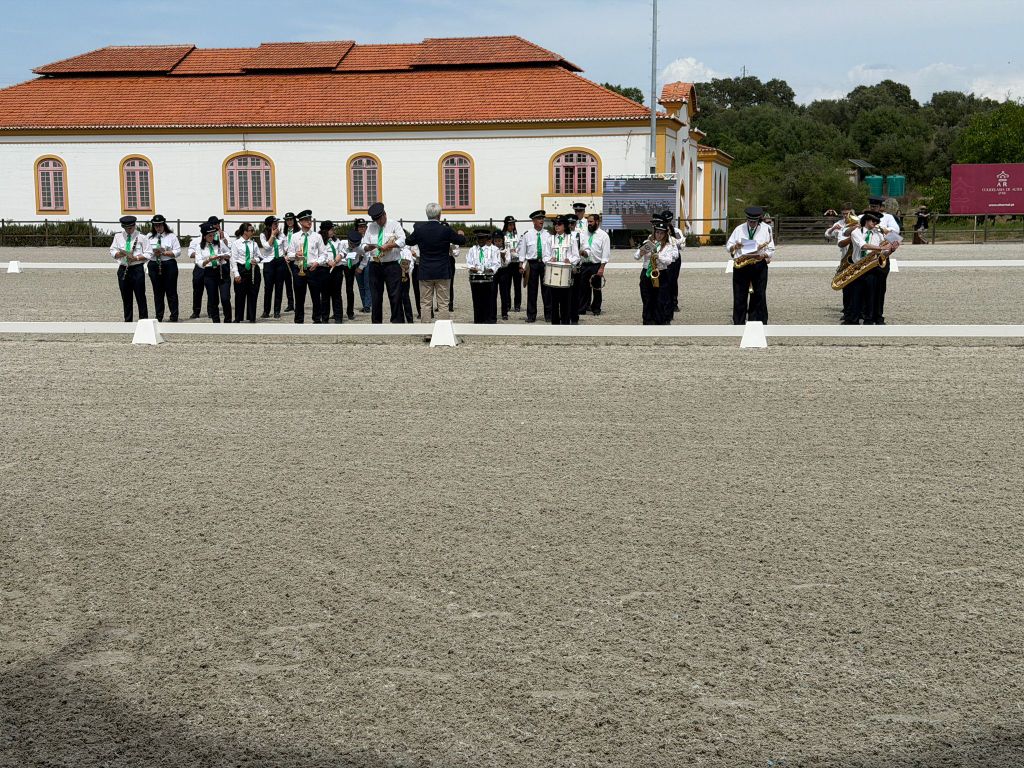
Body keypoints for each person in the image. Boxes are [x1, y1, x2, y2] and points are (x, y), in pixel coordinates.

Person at [406, 205, 465, 321]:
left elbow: (408, 241)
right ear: (439, 215)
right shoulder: (446, 230)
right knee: (443, 303)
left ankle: (426, 329)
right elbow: (461, 241)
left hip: (425, 270)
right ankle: (443, 328)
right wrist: (461, 234)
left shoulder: (420, 230)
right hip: (442, 270)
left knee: (425, 303)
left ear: (427, 214)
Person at [725, 206, 775, 325]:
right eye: (750, 221)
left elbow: (771, 248)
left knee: (759, 295)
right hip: (742, 266)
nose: (752, 224)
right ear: (747, 219)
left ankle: (758, 321)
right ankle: (739, 322)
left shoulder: (766, 229)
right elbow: (728, 246)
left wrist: (764, 255)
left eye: (754, 222)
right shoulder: (739, 229)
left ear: (759, 220)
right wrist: (735, 246)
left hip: (759, 264)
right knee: (739, 295)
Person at [850, 210, 899, 325]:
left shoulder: (879, 233)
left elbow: (883, 253)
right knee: (858, 294)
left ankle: (874, 317)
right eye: (873, 221)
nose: (876, 223)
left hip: (874, 266)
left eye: (877, 221)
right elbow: (863, 246)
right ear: (866, 220)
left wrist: (891, 250)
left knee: (876, 293)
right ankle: (855, 318)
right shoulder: (856, 232)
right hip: (860, 265)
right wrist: (881, 248)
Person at [360, 202, 406, 323]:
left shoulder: (394, 224)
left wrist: (390, 245)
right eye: (376, 220)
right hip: (375, 265)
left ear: (384, 214)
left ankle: (397, 322)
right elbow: (363, 244)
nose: (378, 222)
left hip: (391, 264)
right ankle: (376, 323)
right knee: (376, 297)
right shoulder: (371, 227)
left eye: (380, 219)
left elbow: (402, 240)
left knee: (395, 296)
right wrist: (368, 247)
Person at [634, 219, 679, 325]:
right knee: (647, 297)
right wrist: (641, 253)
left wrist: (658, 256)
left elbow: (669, 261)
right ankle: (648, 320)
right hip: (647, 272)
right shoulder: (648, 243)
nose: (659, 235)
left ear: (665, 234)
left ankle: (660, 320)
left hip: (661, 273)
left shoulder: (668, 246)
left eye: (662, 233)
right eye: (657, 232)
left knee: (660, 298)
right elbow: (636, 256)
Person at [286, 210, 327, 324]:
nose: (309, 221)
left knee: (316, 296)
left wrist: (317, 262)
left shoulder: (317, 236)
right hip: (298, 268)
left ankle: (317, 319)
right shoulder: (295, 236)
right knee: (299, 296)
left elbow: (324, 254)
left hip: (313, 269)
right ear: (300, 222)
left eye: (310, 219)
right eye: (306, 220)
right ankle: (299, 320)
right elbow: (289, 254)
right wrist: (295, 255)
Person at [110, 215, 150, 322]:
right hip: (123, 268)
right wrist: (121, 254)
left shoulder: (142, 237)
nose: (129, 230)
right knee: (126, 297)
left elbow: (148, 253)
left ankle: (143, 321)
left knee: (140, 296)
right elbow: (112, 251)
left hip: (137, 268)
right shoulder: (118, 236)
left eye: (131, 228)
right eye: (126, 228)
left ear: (134, 225)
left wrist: (135, 258)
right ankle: (128, 321)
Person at [868, 196, 901, 325]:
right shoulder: (864, 217)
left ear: (880, 207)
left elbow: (896, 231)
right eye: (872, 206)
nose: (873, 208)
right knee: (867, 287)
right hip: (867, 257)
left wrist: (884, 229)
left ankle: (878, 315)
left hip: (882, 256)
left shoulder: (887, 218)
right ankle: (867, 315)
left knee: (880, 288)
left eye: (876, 206)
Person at [825, 203, 860, 324]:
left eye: (848, 213)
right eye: (844, 213)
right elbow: (828, 234)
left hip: (858, 257)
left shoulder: (859, 222)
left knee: (859, 286)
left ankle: (859, 311)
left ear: (852, 212)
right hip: (846, 257)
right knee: (846, 286)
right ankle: (847, 311)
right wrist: (833, 229)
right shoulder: (840, 224)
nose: (846, 216)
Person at [517, 210, 553, 323]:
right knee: (532, 291)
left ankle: (549, 315)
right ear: (533, 221)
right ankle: (531, 315)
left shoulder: (548, 234)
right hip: (532, 264)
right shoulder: (527, 234)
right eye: (539, 219)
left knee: (547, 290)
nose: (541, 220)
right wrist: (521, 264)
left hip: (544, 264)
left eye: (542, 218)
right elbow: (523, 251)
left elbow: (551, 249)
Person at [544, 215, 580, 325]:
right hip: (554, 273)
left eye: (559, 224)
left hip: (566, 273)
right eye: (555, 224)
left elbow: (576, 256)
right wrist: (550, 259)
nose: (556, 226)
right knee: (554, 300)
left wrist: (570, 260)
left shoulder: (571, 239)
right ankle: (555, 323)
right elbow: (545, 256)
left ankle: (565, 323)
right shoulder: (550, 239)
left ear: (565, 226)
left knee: (566, 300)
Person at [191, 222, 230, 323]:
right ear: (204, 236)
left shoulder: (220, 243)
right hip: (209, 273)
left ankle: (228, 320)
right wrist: (209, 259)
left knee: (225, 298)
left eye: (213, 235)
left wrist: (223, 256)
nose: (212, 237)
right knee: (213, 299)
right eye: (210, 235)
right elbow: (200, 263)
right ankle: (216, 322)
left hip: (221, 271)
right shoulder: (199, 247)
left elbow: (229, 253)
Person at [145, 214, 180, 322]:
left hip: (168, 263)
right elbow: (145, 251)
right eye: (156, 225)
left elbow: (177, 251)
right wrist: (153, 252)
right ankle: (159, 316)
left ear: (164, 224)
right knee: (157, 292)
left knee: (171, 291)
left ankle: (174, 315)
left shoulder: (171, 236)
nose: (158, 227)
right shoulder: (149, 236)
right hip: (154, 264)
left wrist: (164, 252)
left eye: (160, 225)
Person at [574, 213, 610, 318]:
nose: (589, 224)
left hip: (596, 265)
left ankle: (596, 308)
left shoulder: (603, 236)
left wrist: (602, 268)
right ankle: (583, 308)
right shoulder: (584, 234)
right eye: (588, 222)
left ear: (597, 222)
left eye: (591, 222)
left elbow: (605, 253)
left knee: (596, 288)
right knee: (583, 288)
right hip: (585, 264)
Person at [228, 223, 262, 323]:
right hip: (241, 269)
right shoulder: (236, 243)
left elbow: (260, 256)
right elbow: (233, 260)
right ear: (245, 232)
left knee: (253, 295)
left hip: (253, 270)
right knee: (240, 295)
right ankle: (238, 318)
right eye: (251, 230)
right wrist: (236, 274)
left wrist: (256, 260)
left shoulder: (254, 243)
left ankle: (251, 317)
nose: (253, 232)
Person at [466, 229, 500, 323]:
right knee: (477, 300)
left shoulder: (493, 250)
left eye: (482, 238)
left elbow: (497, 263)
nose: (480, 240)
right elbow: (469, 262)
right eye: (479, 238)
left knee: (488, 300)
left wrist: (491, 269)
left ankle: (488, 320)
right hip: (476, 279)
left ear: (486, 239)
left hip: (488, 279)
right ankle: (478, 320)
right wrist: (471, 267)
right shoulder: (472, 250)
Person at [259, 216, 286, 318]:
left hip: (280, 261)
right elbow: (267, 246)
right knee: (268, 288)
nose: (277, 225)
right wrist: (273, 235)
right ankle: (266, 311)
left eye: (277, 223)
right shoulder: (263, 235)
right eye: (275, 223)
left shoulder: (281, 234)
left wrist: (287, 254)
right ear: (269, 225)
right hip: (269, 263)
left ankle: (277, 311)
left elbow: (286, 247)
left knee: (279, 287)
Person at [495, 216, 520, 320]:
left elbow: (520, 248)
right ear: (506, 225)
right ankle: (508, 304)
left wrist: (517, 253)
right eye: (509, 224)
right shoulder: (503, 235)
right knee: (507, 285)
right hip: (507, 263)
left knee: (517, 284)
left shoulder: (517, 235)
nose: (511, 226)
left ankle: (517, 304)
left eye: (513, 224)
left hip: (516, 262)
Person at [320, 220, 345, 323]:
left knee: (337, 294)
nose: (333, 231)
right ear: (325, 230)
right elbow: (318, 254)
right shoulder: (320, 241)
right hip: (325, 269)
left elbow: (343, 251)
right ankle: (324, 318)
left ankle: (338, 317)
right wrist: (327, 261)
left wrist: (340, 256)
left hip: (337, 269)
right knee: (325, 295)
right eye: (331, 229)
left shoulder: (337, 240)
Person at [338, 225, 365, 320]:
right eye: (351, 244)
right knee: (337, 290)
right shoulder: (341, 243)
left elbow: (366, 256)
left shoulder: (360, 249)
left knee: (349, 290)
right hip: (340, 265)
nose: (353, 246)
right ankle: (338, 312)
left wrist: (361, 267)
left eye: (355, 245)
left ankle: (350, 312)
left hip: (351, 267)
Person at [348, 218, 370, 313]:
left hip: (367, 261)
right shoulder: (354, 237)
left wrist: (361, 267)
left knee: (367, 284)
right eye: (360, 226)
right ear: (356, 228)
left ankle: (367, 305)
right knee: (361, 285)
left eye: (364, 226)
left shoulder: (369, 236)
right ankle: (364, 304)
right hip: (357, 261)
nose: (362, 228)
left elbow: (368, 253)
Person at [280, 212, 299, 313]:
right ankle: (290, 303)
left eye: (291, 219)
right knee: (287, 282)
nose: (289, 221)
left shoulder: (298, 231)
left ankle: (298, 304)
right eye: (287, 220)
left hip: (296, 258)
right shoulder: (283, 232)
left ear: (294, 220)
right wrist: (285, 255)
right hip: (286, 259)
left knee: (297, 281)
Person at [398, 239, 416, 323]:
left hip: (405, 275)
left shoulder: (406, 251)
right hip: (394, 276)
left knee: (405, 297)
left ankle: (409, 319)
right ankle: (399, 319)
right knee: (396, 297)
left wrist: (406, 269)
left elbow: (411, 264)